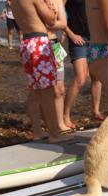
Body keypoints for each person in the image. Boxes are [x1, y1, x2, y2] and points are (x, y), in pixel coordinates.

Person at [11, 0, 71, 143]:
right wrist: (51, 9)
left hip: (26, 42)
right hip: (39, 43)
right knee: (48, 92)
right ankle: (54, 135)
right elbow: (50, 20)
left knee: (35, 91)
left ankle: (37, 132)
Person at [63, 0, 104, 129]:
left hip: (95, 38)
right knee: (80, 78)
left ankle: (95, 110)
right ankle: (65, 115)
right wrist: (70, 34)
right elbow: (58, 13)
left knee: (96, 77)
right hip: (77, 38)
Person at [47, 0, 69, 132]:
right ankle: (48, 123)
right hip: (39, 44)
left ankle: (60, 123)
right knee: (43, 90)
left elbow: (63, 23)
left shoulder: (57, 1)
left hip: (54, 45)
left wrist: (48, 23)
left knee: (60, 89)